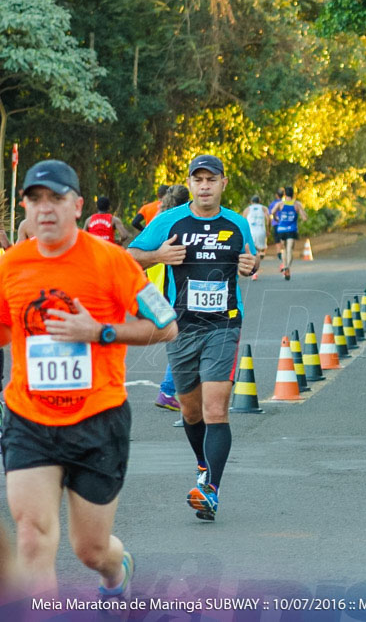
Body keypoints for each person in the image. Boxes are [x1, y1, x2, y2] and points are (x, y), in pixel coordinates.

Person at [0, 160, 178, 595]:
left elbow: (166, 323)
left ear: (77, 206)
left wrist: (98, 331)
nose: (45, 209)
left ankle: (117, 572)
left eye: (56, 199)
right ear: (24, 207)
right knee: (32, 538)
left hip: (97, 421)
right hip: (29, 420)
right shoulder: (10, 266)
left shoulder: (111, 261)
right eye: (35, 199)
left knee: (91, 550)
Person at [129, 155, 259, 522]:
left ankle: (211, 489)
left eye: (211, 179)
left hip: (224, 325)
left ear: (223, 183)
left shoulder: (236, 224)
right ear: (189, 182)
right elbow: (128, 257)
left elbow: (249, 261)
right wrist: (158, 255)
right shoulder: (170, 220)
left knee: (215, 408)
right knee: (190, 409)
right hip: (181, 327)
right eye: (198, 179)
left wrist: (252, 265)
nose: (204, 186)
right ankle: (203, 463)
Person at [151, 185, 192, 413]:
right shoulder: (178, 226)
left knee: (181, 338)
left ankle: (170, 390)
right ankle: (167, 391)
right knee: (185, 340)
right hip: (171, 290)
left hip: (154, 289)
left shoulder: (156, 220)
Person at [270, 186, 308, 281]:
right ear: (293, 194)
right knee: (290, 249)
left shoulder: (280, 204)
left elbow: (272, 212)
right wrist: (302, 216)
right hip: (292, 229)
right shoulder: (297, 204)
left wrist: (276, 218)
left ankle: (285, 267)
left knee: (284, 250)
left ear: (285, 194)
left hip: (281, 229)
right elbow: (304, 218)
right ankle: (287, 267)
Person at [242, 195, 271, 280]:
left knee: (252, 251)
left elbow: (243, 221)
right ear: (260, 201)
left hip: (251, 232)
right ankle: (256, 271)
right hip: (261, 231)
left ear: (251, 202)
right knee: (258, 251)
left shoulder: (247, 209)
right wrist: (268, 229)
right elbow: (268, 219)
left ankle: (253, 270)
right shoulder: (264, 208)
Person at [268, 187, 285, 264]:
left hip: (276, 224)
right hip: (284, 224)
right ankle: (283, 252)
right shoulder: (285, 203)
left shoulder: (272, 204)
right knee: (283, 239)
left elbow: (270, 214)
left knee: (277, 239)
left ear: (276, 195)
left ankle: (279, 253)